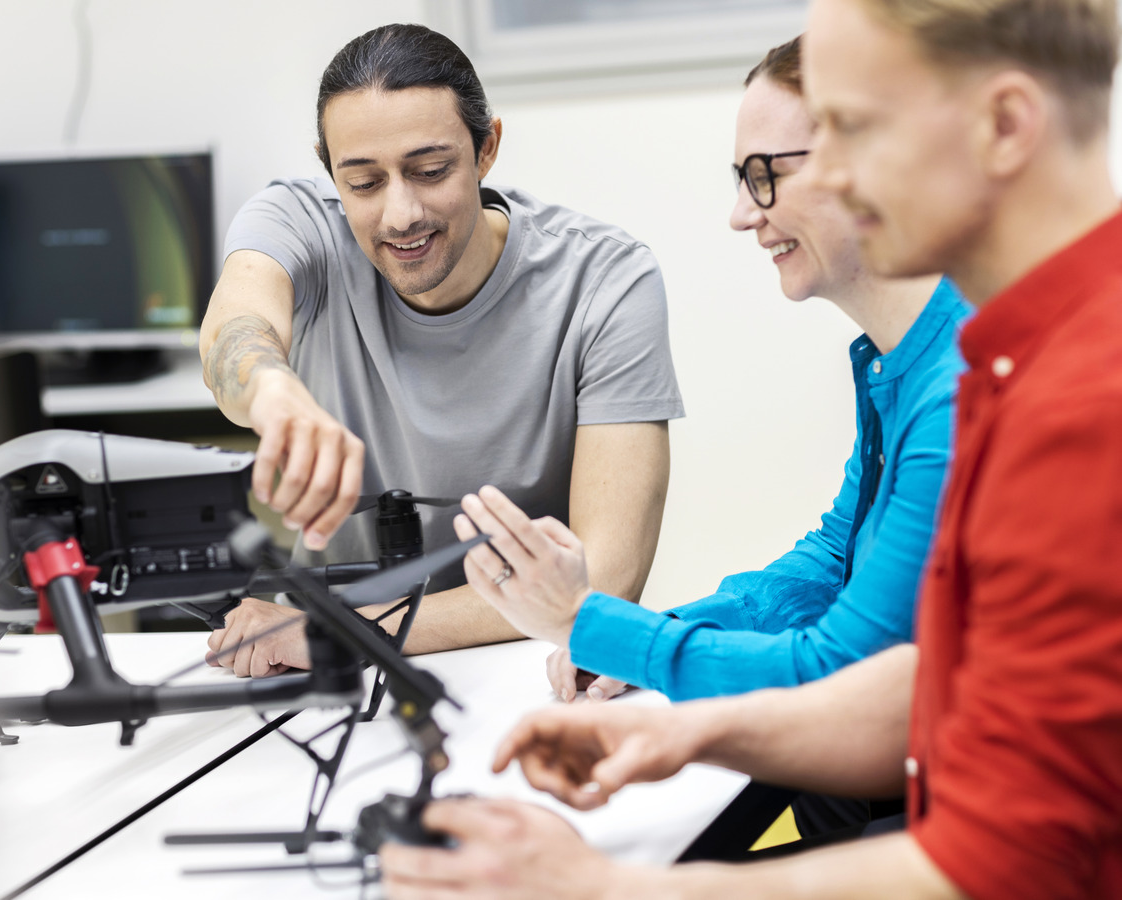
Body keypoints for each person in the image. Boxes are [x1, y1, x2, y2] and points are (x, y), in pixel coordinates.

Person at [378, 0, 1122, 897]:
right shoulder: (1011, 360)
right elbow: (936, 683)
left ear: (1004, 127)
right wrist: (689, 730)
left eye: (850, 130)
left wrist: (607, 889)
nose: (828, 179)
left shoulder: (1080, 406)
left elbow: (1001, 862)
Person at [199, 24, 681, 676]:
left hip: (518, 666)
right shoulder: (298, 222)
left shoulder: (605, 281)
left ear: (487, 149)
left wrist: (332, 628)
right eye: (363, 183)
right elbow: (235, 325)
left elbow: (602, 583)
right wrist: (275, 396)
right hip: (331, 672)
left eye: (429, 172)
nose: (400, 214)